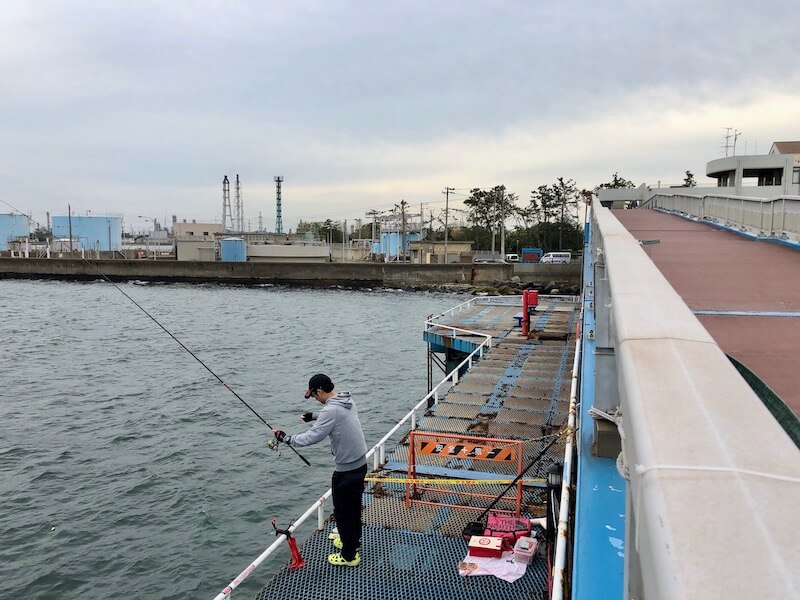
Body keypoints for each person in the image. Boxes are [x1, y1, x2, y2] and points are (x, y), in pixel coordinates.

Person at [273, 373, 368, 567]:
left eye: (315, 396)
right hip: (360, 464)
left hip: (346, 471)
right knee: (353, 507)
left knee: (342, 512)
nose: (315, 399)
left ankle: (349, 556)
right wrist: (313, 416)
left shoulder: (330, 411)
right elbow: (333, 416)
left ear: (320, 391)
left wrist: (286, 438)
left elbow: (312, 437)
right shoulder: (346, 400)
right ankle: (353, 540)